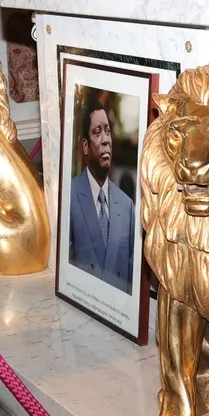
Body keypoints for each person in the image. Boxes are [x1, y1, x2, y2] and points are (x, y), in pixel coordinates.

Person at [68, 99, 135, 293]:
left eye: (108, 130)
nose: (106, 139)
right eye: (97, 132)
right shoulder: (69, 196)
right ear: (86, 146)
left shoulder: (126, 205)